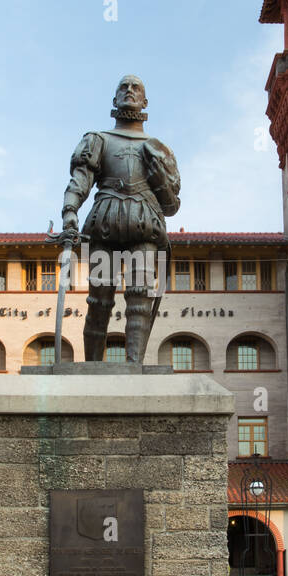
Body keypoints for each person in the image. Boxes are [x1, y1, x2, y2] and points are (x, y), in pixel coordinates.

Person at [61, 75, 181, 362]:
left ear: (144, 101)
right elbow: (80, 180)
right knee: (99, 301)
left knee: (140, 297)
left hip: (145, 225)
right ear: (115, 99)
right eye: (123, 87)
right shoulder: (98, 140)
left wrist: (159, 178)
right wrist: (69, 212)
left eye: (135, 88)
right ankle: (92, 368)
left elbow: (172, 205)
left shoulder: (159, 148)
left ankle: (133, 368)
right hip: (104, 225)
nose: (129, 91)